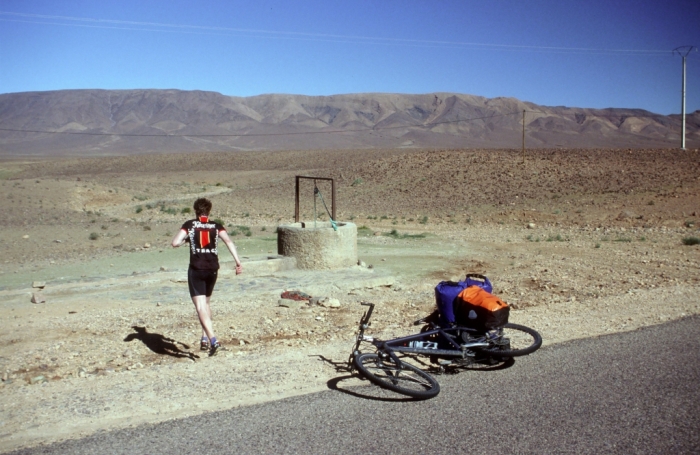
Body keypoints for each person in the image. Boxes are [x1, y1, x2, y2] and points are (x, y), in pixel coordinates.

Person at [171, 198, 242, 356]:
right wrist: (238, 262)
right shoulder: (216, 226)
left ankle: (213, 340)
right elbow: (228, 241)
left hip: (197, 269)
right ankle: (204, 338)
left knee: (200, 306)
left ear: (195, 210)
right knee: (206, 303)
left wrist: (187, 240)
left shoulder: (189, 225)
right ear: (209, 211)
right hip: (212, 269)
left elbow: (175, 242)